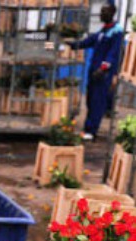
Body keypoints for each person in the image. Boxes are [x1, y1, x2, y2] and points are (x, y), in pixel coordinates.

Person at [68, 2, 123, 141]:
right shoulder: (102, 31)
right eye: (101, 11)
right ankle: (88, 127)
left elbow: (113, 53)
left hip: (103, 73)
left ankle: (91, 131)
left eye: (104, 11)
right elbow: (88, 41)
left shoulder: (116, 32)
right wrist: (73, 44)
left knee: (98, 101)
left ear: (112, 12)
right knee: (90, 100)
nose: (101, 14)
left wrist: (103, 68)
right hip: (94, 70)